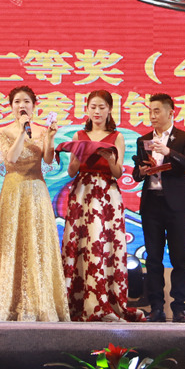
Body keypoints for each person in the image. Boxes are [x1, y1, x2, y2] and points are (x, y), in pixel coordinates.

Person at [0, 86, 70, 322]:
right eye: (17, 101)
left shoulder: (42, 130)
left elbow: (48, 160)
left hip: (37, 190)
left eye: (26, 101)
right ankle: (9, 304)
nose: (22, 105)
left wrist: (50, 138)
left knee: (37, 243)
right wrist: (21, 131)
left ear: (34, 106)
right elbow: (10, 159)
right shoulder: (3, 132)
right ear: (11, 106)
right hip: (13, 190)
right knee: (12, 243)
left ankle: (39, 304)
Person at [62, 90, 144, 323]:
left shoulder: (117, 136)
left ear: (109, 110)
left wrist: (109, 158)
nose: (97, 111)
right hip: (82, 192)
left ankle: (103, 302)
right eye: (93, 107)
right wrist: (78, 157)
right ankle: (77, 302)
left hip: (107, 194)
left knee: (103, 246)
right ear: (87, 109)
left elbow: (117, 173)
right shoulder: (79, 135)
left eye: (101, 107)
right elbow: (71, 171)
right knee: (79, 244)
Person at [132, 93, 185, 323]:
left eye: (157, 111)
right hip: (151, 204)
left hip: (177, 205)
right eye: (150, 111)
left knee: (179, 257)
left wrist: (169, 152)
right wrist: (141, 172)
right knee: (153, 258)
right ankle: (156, 307)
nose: (152, 116)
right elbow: (136, 173)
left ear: (171, 112)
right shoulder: (143, 140)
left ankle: (179, 308)